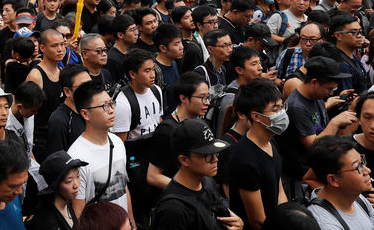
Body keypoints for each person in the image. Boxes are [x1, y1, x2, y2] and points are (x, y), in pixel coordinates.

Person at [281, 56, 358, 196]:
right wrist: (335, 122)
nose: (331, 93)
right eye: (329, 88)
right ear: (314, 83)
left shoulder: (316, 97)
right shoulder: (297, 107)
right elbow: (313, 146)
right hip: (302, 178)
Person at [150, 118, 244, 230]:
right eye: (207, 155)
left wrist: (237, 224)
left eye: (215, 153)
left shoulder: (207, 181)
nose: (215, 159)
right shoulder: (173, 210)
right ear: (184, 160)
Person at [228, 78, 288, 229]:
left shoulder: (270, 140)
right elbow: (258, 221)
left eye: (282, 107)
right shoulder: (245, 159)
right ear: (256, 116)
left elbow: (279, 189)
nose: (281, 113)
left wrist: (288, 219)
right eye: (275, 110)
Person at [68, 80, 131, 222]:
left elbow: (124, 189)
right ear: (85, 114)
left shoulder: (117, 142)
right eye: (104, 106)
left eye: (111, 103)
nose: (111, 110)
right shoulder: (77, 157)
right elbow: (78, 214)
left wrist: (131, 222)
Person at [147, 72, 211, 193]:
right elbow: (153, 176)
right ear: (183, 98)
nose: (207, 102)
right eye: (202, 97)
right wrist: (188, 188)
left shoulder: (200, 124)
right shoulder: (167, 131)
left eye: (208, 97)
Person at [307, 136, 374, 230]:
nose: (368, 171)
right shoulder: (326, 224)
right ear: (333, 180)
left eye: (362, 162)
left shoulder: (355, 196)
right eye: (358, 167)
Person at [26, 29, 66, 163]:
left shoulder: (62, 72)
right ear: (42, 48)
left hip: (60, 137)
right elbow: (26, 113)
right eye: (54, 45)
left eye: (62, 44)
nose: (60, 49)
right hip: (41, 141)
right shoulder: (36, 75)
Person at [24, 150, 86, 230]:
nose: (76, 185)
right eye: (69, 181)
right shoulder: (46, 222)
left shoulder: (67, 203)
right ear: (55, 185)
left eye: (78, 176)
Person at [46, 65, 91, 154]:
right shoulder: (59, 121)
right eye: (83, 86)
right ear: (67, 91)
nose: (89, 90)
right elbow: (57, 160)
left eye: (90, 84)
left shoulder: (93, 110)